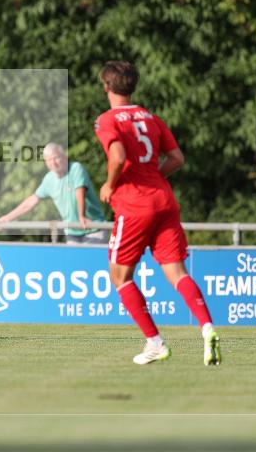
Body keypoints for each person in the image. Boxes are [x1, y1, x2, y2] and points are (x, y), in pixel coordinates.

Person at [94, 60, 221, 365]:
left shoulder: (107, 120)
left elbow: (118, 155)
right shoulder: (150, 117)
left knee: (120, 276)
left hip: (133, 205)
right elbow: (177, 158)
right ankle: (207, 327)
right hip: (164, 202)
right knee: (177, 273)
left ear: (107, 87)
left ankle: (155, 343)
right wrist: (157, 177)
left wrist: (110, 184)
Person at [0, 143, 108, 243]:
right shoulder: (48, 179)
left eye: (56, 158)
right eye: (49, 160)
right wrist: (8, 217)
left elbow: (80, 191)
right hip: (72, 232)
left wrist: (81, 216)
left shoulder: (75, 168)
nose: (53, 163)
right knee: (74, 264)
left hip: (93, 227)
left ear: (64, 157)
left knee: (90, 262)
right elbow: (32, 201)